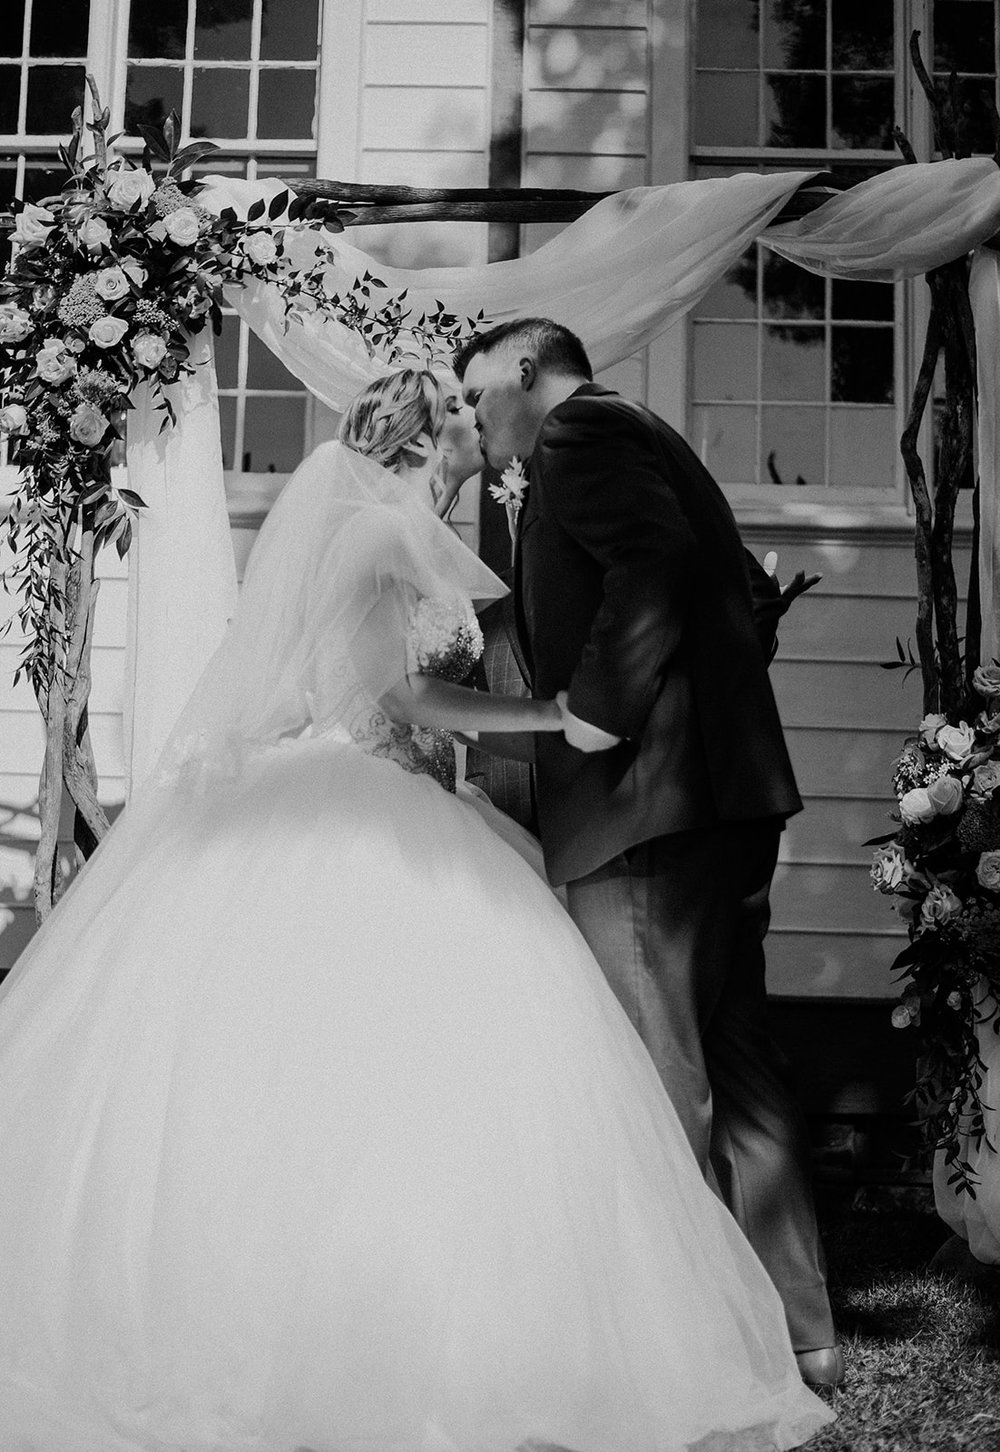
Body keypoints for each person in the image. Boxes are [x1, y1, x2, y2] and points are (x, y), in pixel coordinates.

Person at [0, 367, 833, 1452]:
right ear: (423, 432)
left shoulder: (411, 525)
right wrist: (551, 713)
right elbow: (404, 696)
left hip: (422, 790)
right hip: (369, 799)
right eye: (459, 410)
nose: (478, 425)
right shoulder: (382, 536)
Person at [454, 319, 843, 1389]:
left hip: (646, 815)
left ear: (528, 370)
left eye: (481, 392)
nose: (479, 421)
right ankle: (801, 1335)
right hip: (721, 804)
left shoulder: (579, 436)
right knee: (740, 1070)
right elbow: (734, 595)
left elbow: (655, 562)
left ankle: (697, 1351)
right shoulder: (649, 436)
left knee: (655, 1080)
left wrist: (600, 709)